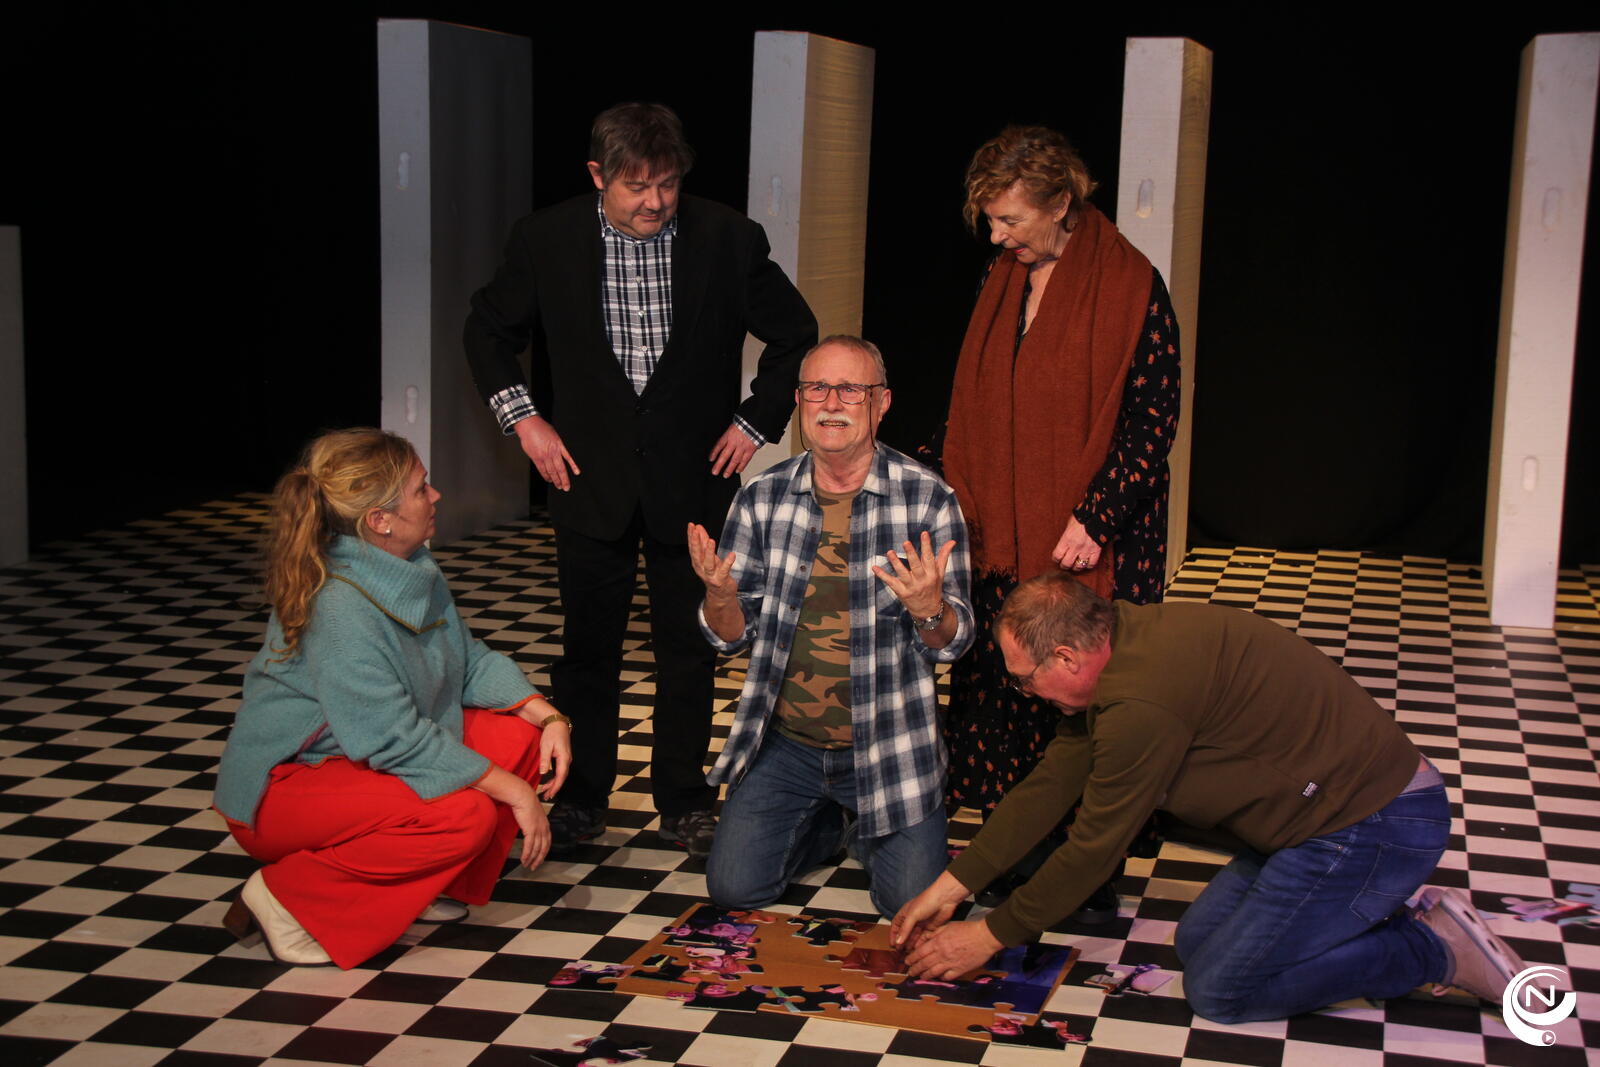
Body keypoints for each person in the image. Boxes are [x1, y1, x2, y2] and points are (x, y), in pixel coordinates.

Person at [891, 573, 1527, 1023]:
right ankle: (1364, 914)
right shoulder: (1125, 641)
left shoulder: (1140, 703)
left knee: (1223, 991)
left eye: (1028, 680)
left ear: (1067, 656)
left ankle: (1431, 949)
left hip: (1375, 825)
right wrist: (950, 886)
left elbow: (1092, 850)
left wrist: (988, 936)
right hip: (1316, 822)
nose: (1028, 693)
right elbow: (1050, 784)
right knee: (1198, 944)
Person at [464, 102, 817, 858]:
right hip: (587, 482)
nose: (656, 201)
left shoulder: (727, 236)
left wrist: (754, 422)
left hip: (694, 483)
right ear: (598, 176)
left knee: (688, 646)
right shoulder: (545, 237)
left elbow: (796, 334)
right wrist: (524, 420)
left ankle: (684, 797)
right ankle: (581, 796)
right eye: (636, 186)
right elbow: (487, 331)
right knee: (587, 650)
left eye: (668, 183)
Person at [214, 429, 572, 968]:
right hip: (283, 790)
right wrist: (516, 793)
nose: (436, 496)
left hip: (353, 761)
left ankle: (422, 886)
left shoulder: (409, 567)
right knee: (464, 813)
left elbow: (466, 660)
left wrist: (549, 717)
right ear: (380, 520)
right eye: (421, 489)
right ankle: (285, 899)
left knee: (518, 736)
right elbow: (390, 738)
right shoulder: (338, 606)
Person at [939, 125, 1181, 913]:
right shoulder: (1003, 275)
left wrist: (1097, 514)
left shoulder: (1132, 285)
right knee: (1009, 688)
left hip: (1091, 539)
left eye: (1010, 220)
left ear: (1061, 202)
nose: (997, 237)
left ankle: (1085, 873)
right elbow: (978, 402)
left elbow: (1152, 422)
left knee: (1079, 706)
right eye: (990, 221)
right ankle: (1014, 852)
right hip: (1005, 536)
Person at [690, 336, 974, 919]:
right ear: (798, 401)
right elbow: (729, 637)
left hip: (889, 746)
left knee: (909, 905)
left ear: (882, 402)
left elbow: (955, 642)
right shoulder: (762, 498)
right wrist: (720, 597)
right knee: (734, 890)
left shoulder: (927, 499)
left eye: (851, 389)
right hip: (786, 745)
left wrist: (929, 609)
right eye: (818, 388)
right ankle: (831, 823)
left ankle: (863, 822)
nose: (832, 403)